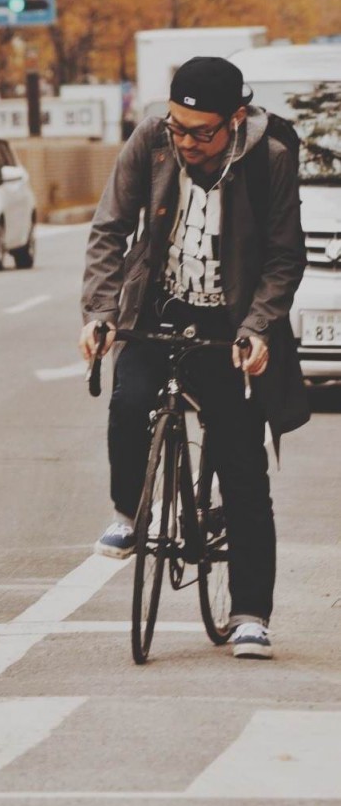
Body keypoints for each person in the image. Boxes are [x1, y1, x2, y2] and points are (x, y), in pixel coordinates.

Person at [79, 56, 309, 659]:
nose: (185, 141)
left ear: (235, 118)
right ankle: (130, 512)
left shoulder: (270, 161)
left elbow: (285, 258)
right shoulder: (152, 142)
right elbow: (109, 230)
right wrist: (101, 313)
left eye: (200, 131)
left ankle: (251, 613)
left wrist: (259, 329)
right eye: (177, 126)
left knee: (241, 467)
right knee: (129, 401)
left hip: (229, 323)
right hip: (156, 306)